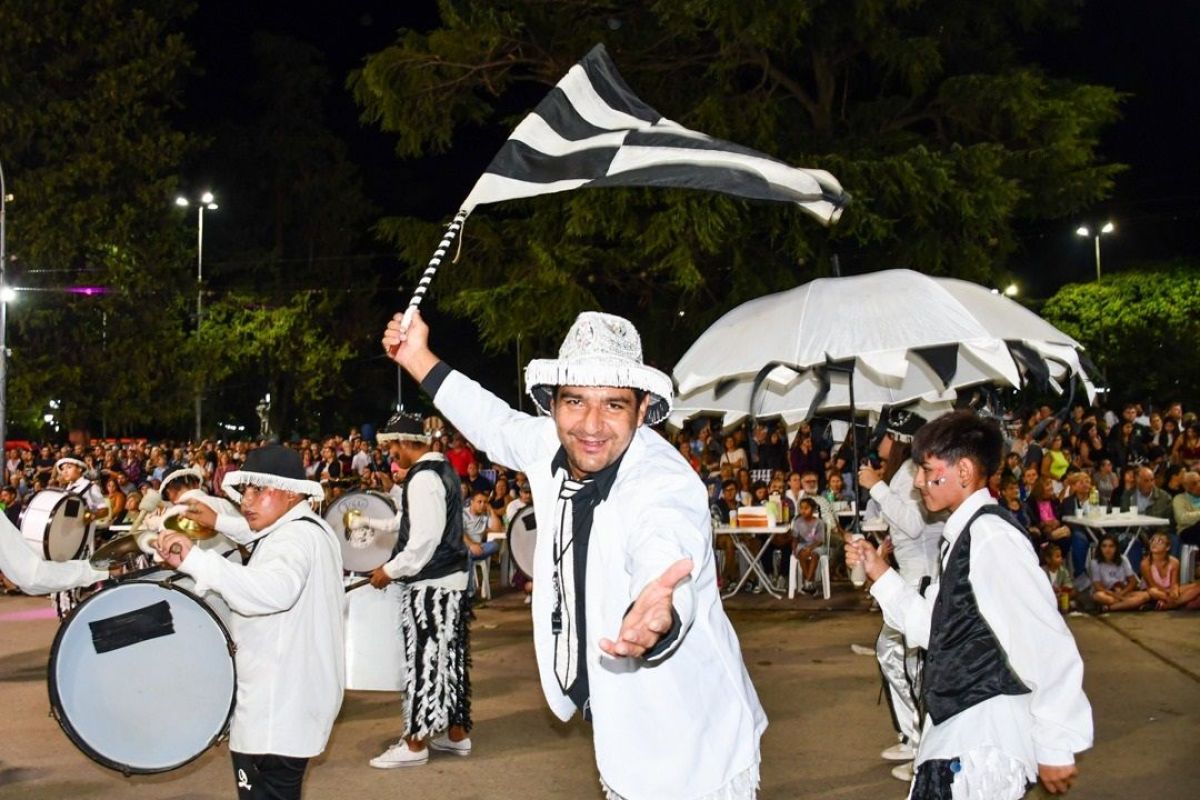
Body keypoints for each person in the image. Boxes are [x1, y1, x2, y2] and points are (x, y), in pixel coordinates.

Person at [383, 309, 765, 799]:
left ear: (642, 409)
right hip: (619, 730)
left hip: (693, 743)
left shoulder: (661, 480)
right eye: (575, 401)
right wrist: (416, 357)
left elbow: (665, 543)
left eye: (614, 404)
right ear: (553, 404)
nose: (591, 424)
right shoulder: (550, 443)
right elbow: (491, 421)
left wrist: (661, 608)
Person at [846, 411, 1093, 798]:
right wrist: (879, 571)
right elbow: (936, 629)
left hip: (983, 744)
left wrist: (1055, 742)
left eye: (927, 470)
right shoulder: (965, 535)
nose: (918, 481)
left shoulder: (990, 537)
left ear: (963, 471)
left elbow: (1043, 638)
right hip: (958, 735)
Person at [155, 445, 344, 800]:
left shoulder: (294, 538)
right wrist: (217, 522)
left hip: (275, 712)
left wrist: (196, 560)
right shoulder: (308, 528)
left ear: (291, 493)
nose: (247, 500)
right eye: (246, 490)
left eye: (259, 489)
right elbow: (262, 534)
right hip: (290, 705)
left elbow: (275, 589)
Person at [357, 412, 474, 769]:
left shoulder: (423, 479)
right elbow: (406, 521)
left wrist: (388, 571)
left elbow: (423, 541)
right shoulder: (440, 469)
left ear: (408, 442)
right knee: (449, 661)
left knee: (425, 662)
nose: (391, 453)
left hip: (432, 586)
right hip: (449, 581)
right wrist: (369, 522)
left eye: (393, 445)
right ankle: (456, 735)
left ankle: (415, 744)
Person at [856, 408, 945, 782]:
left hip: (920, 582)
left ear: (898, 439)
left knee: (913, 666)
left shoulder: (911, 472)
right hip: (910, 576)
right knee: (893, 655)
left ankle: (924, 748)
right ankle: (912, 736)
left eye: (885, 436)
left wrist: (875, 486)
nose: (879, 442)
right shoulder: (903, 473)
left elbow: (914, 523)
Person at [1088, 534, 1151, 612]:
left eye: (1111, 546)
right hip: (1107, 593)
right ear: (1100, 548)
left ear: (1116, 548)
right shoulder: (1095, 563)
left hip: (1123, 592)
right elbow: (1097, 586)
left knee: (1146, 596)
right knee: (1098, 596)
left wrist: (1122, 593)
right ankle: (1131, 605)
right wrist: (1113, 595)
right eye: (1104, 546)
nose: (1107, 549)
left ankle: (1110, 608)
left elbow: (1133, 581)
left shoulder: (1123, 559)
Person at [1141, 531, 1200, 610]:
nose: (1154, 543)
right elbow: (1152, 585)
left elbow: (1174, 584)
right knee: (1153, 591)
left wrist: (1174, 592)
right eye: (1153, 540)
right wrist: (1167, 593)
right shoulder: (1145, 563)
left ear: (1167, 547)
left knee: (1197, 586)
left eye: (1160, 541)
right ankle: (1173, 603)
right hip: (1156, 591)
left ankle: (1172, 604)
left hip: (1169, 590)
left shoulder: (1174, 562)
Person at [791, 497, 825, 595]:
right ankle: (810, 582)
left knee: (814, 555)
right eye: (801, 508)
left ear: (813, 509)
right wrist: (794, 550)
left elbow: (820, 540)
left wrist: (810, 548)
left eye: (806, 508)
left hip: (816, 546)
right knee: (802, 554)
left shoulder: (819, 522)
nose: (803, 510)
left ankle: (807, 581)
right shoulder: (798, 522)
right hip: (802, 545)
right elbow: (795, 539)